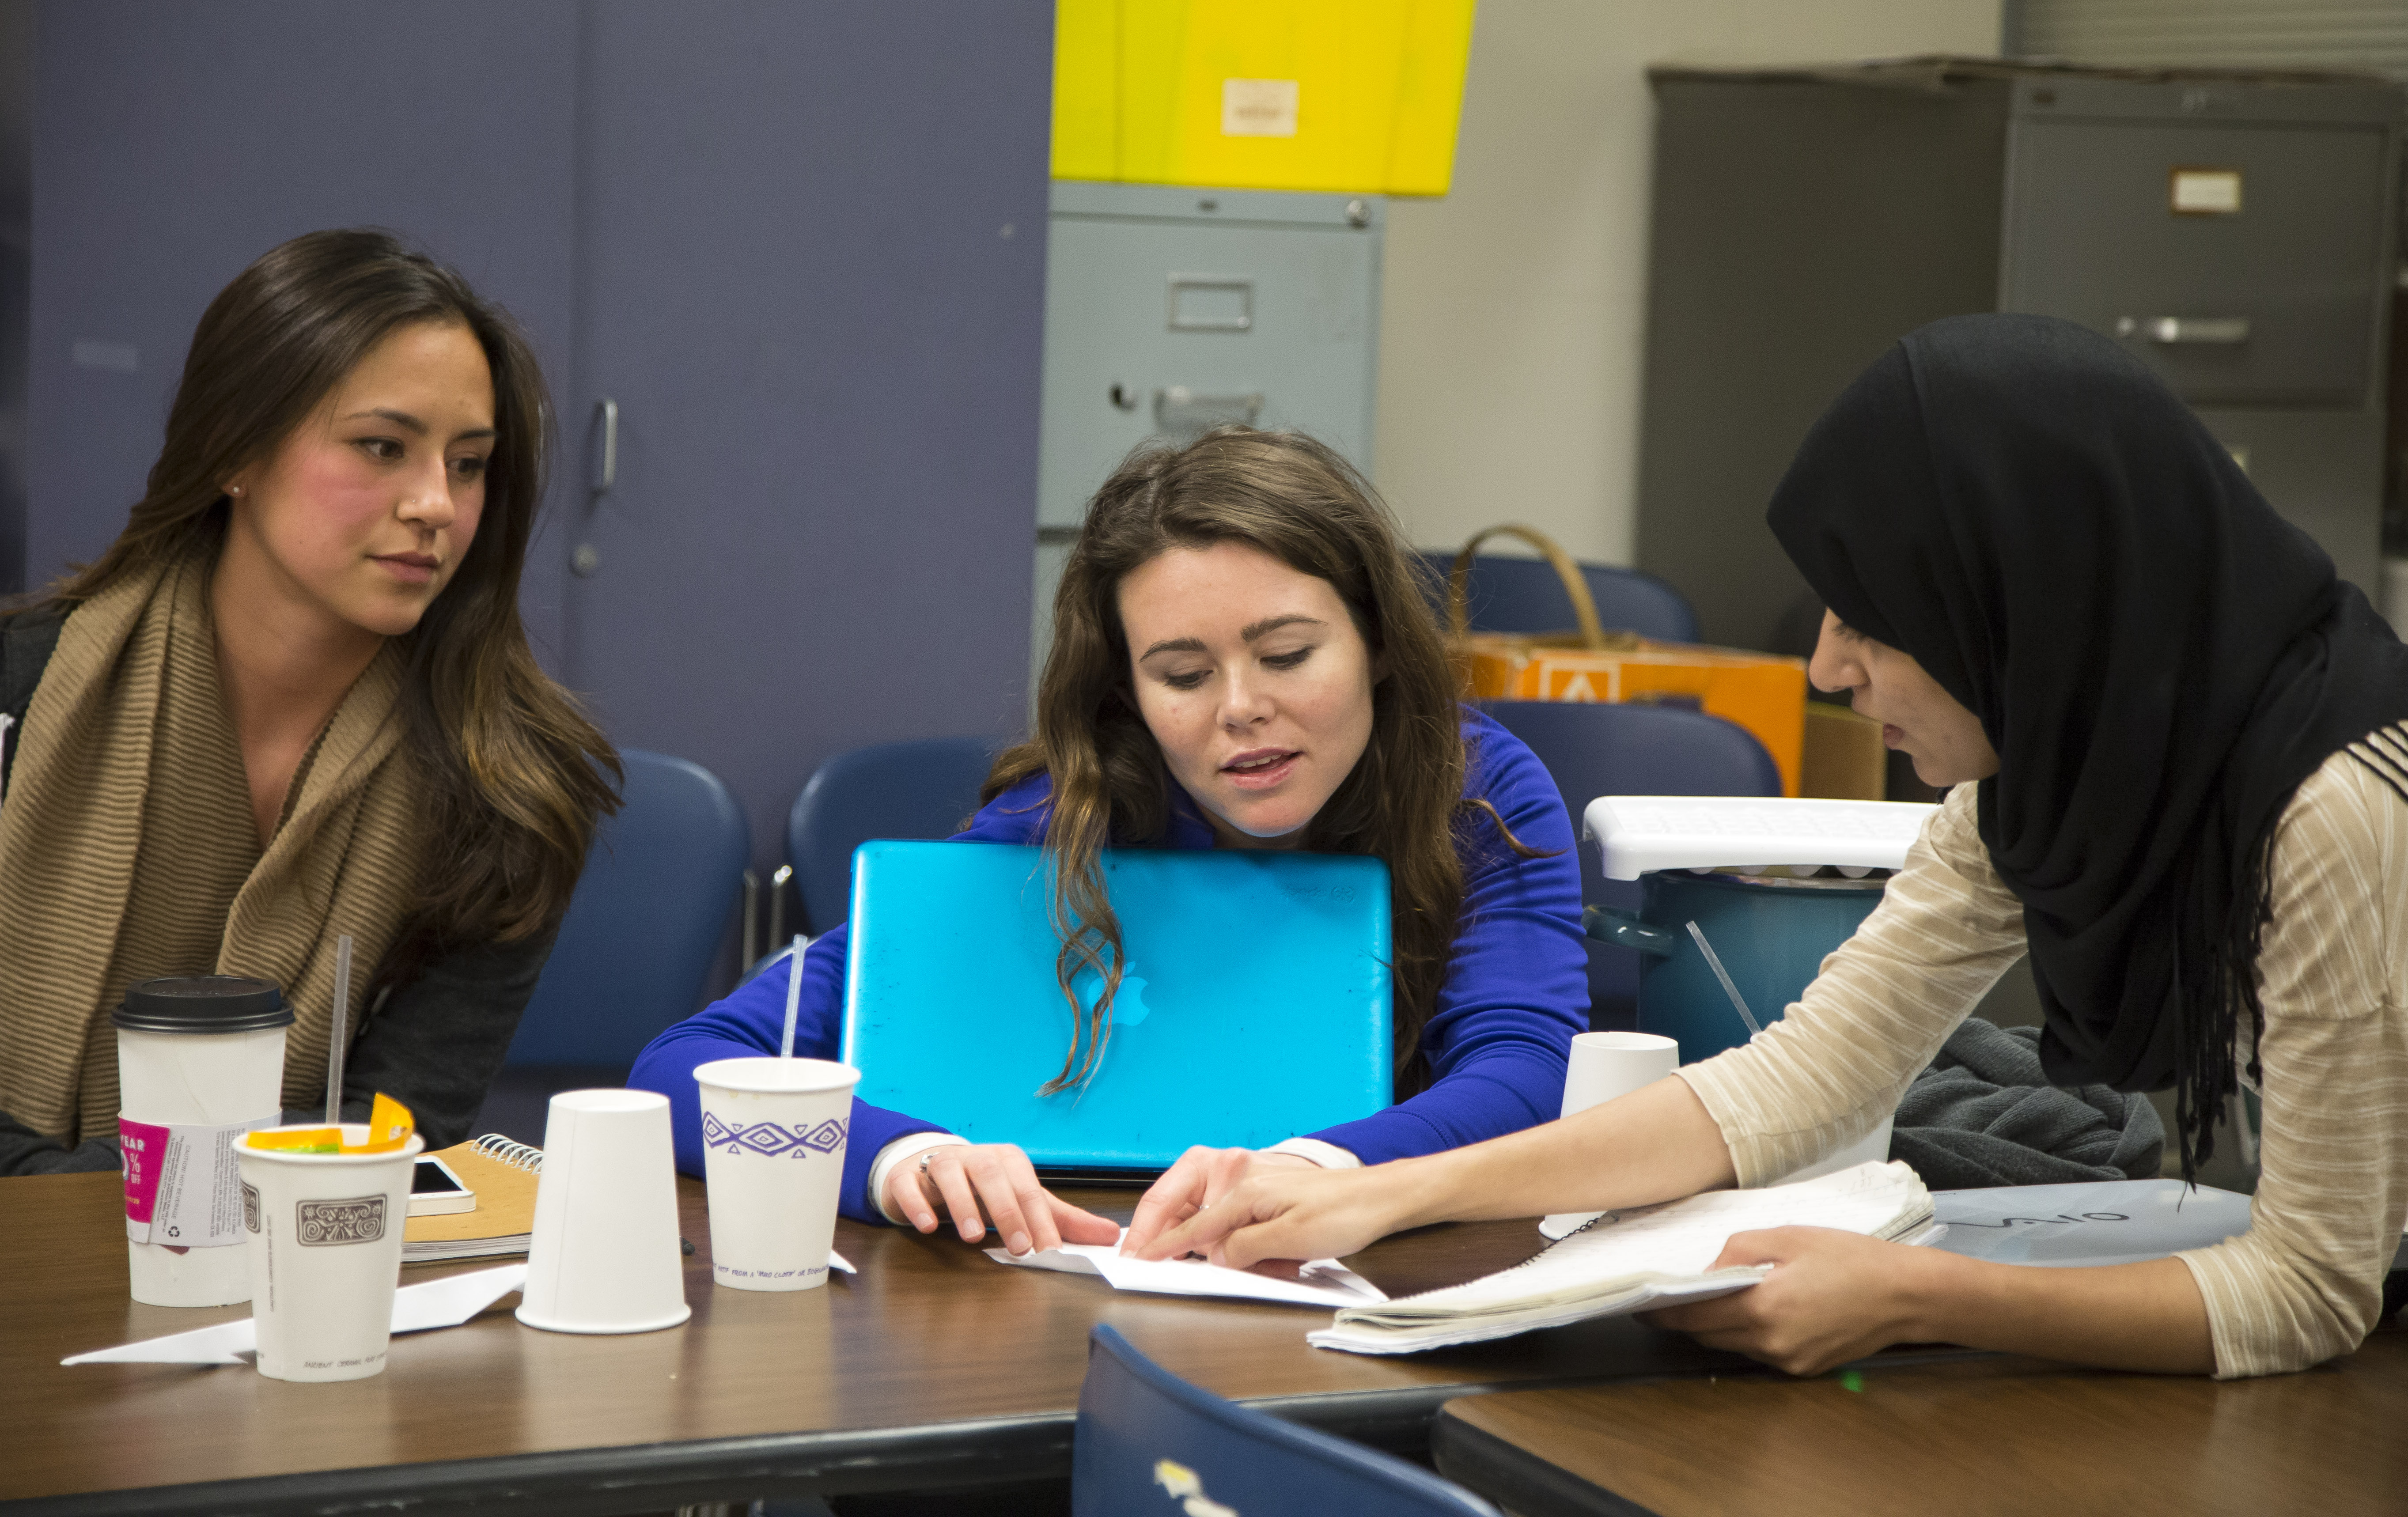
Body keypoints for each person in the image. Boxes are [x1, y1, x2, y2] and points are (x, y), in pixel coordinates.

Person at [1137, 315, 2408, 1382]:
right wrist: (1382, 1194)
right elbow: (1799, 1084)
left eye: (1878, 617)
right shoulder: (2046, 770)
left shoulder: (2338, 808)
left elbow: (2310, 1292)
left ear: (2022, 602)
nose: (1825, 667)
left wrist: (1918, 1297)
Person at [631, 427, 1590, 1253]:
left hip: (1369, 1292)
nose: (1242, 710)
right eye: (1182, 673)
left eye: (1289, 655)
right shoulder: (1068, 818)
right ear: (1126, 692)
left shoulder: (1478, 792)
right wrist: (903, 1158)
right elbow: (689, 1069)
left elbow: (1527, 1072)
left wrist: (1319, 1169)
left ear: (1378, 641)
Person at [0, 229, 619, 1174]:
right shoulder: (20, 697)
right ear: (235, 451)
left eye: (468, 464)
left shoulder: (508, 785)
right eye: (382, 447)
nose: (436, 506)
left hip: (313, 1288)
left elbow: (391, 1140)